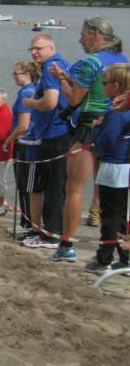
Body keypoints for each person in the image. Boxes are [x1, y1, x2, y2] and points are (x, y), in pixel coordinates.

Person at [48, 18, 126, 261]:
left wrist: (61, 79)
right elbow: (99, 89)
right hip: (118, 128)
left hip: (90, 129)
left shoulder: (91, 61)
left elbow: (74, 99)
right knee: (112, 193)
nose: (80, 40)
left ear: (96, 35)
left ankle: (66, 246)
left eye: (83, 35)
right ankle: (117, 250)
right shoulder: (123, 60)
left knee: (74, 188)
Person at [22, 33, 70, 252]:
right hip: (58, 132)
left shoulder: (52, 67)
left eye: (38, 48)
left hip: (55, 134)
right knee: (57, 185)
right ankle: (53, 231)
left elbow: (50, 102)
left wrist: (31, 103)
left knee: (53, 186)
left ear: (51, 48)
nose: (34, 52)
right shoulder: (60, 64)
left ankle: (51, 234)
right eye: (31, 49)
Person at [83, 64, 130, 274]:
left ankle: (103, 260)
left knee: (110, 215)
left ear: (116, 86)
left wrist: (97, 127)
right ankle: (125, 258)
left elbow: (105, 143)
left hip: (114, 167)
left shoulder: (117, 110)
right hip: (123, 167)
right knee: (121, 215)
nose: (102, 87)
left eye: (104, 83)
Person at [2, 61, 42, 237]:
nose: (14, 77)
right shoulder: (34, 90)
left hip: (24, 143)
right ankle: (28, 221)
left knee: (24, 185)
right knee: (28, 185)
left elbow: (23, 126)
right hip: (30, 142)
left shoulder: (26, 93)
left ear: (27, 74)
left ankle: (27, 222)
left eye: (16, 74)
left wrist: (8, 140)